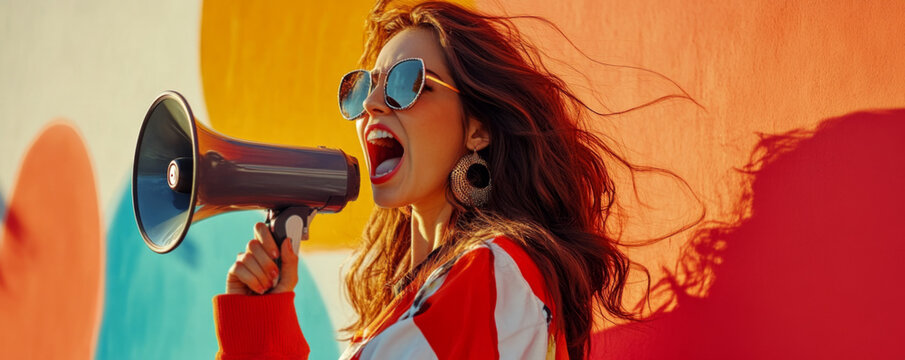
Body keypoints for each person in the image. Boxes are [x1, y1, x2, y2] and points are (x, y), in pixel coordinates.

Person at [213, 1, 637, 358]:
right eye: (366, 87)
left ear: (478, 129)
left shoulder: (492, 272)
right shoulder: (411, 302)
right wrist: (260, 322)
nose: (373, 105)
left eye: (408, 82)